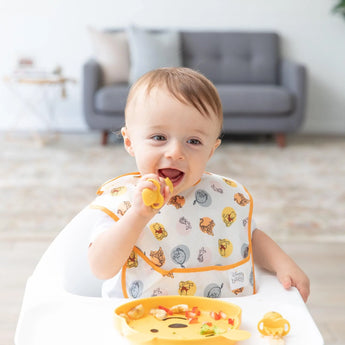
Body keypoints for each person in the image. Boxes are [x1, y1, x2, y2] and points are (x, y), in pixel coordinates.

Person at [88, 67, 310, 302]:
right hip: (137, 325)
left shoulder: (225, 197)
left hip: (215, 323)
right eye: (159, 137)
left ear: (211, 150)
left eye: (193, 141)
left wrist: (283, 264)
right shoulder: (121, 200)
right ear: (130, 142)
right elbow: (100, 268)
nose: (175, 152)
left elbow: (248, 236)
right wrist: (137, 215)